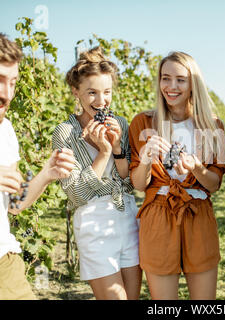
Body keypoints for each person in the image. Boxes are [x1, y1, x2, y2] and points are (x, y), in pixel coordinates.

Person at [0, 27, 75, 300]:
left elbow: (14, 205)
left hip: (9, 269)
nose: (7, 94)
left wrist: (47, 174)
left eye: (13, 82)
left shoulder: (3, 128)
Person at [129, 51, 225, 300]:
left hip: (198, 214)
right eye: (165, 78)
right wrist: (147, 158)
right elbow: (140, 184)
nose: (171, 87)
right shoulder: (143, 123)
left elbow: (214, 184)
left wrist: (196, 167)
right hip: (158, 215)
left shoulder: (213, 127)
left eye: (181, 80)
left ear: (194, 83)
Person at [51, 47, 141, 300]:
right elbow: (77, 195)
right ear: (75, 92)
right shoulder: (64, 133)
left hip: (127, 218)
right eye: (92, 92)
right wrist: (102, 154)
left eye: (107, 92)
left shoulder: (120, 123)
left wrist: (116, 149)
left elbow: (127, 183)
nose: (101, 102)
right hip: (93, 225)